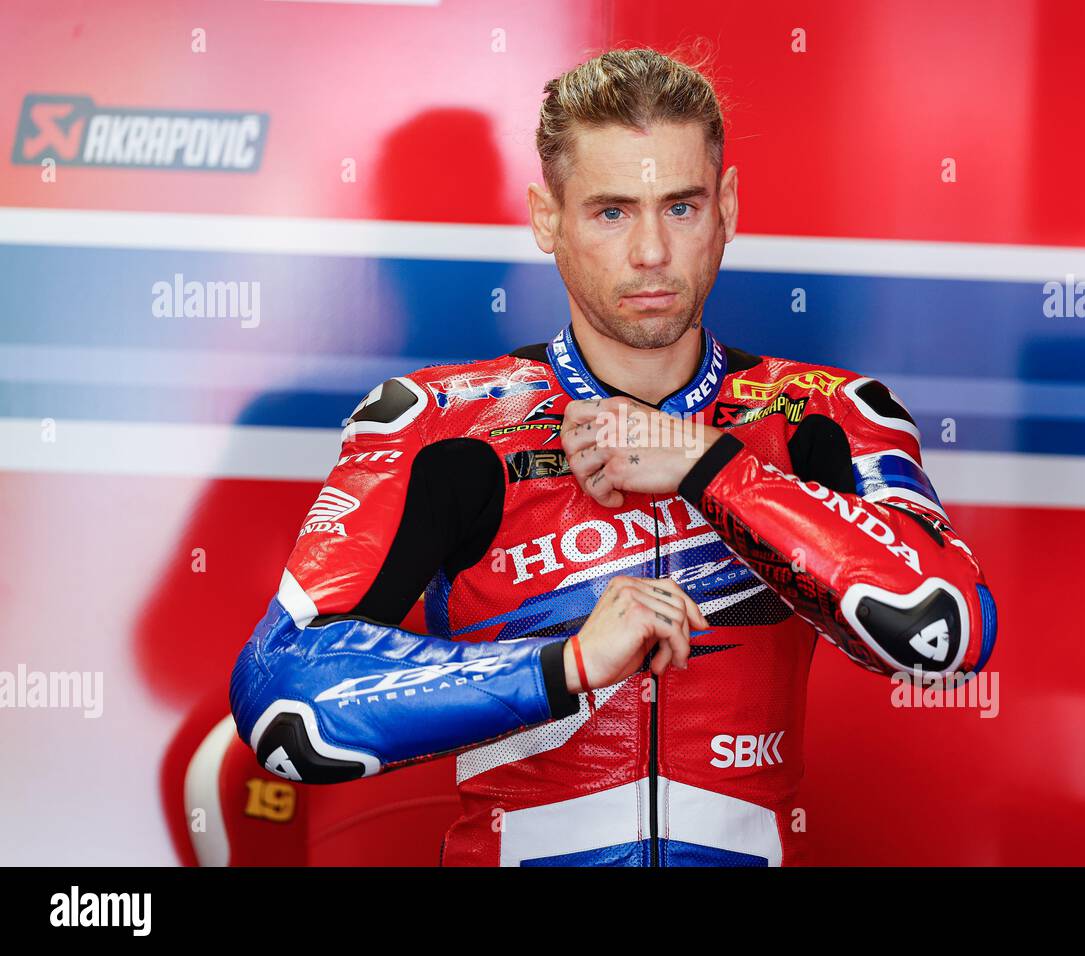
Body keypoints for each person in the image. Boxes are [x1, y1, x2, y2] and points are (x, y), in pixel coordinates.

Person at [228, 47, 997, 866]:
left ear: (727, 208)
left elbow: (944, 634)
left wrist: (708, 465)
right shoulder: (440, 426)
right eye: (610, 212)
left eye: (681, 207)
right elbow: (285, 699)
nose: (652, 253)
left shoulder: (827, 414)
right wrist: (567, 663)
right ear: (546, 217)